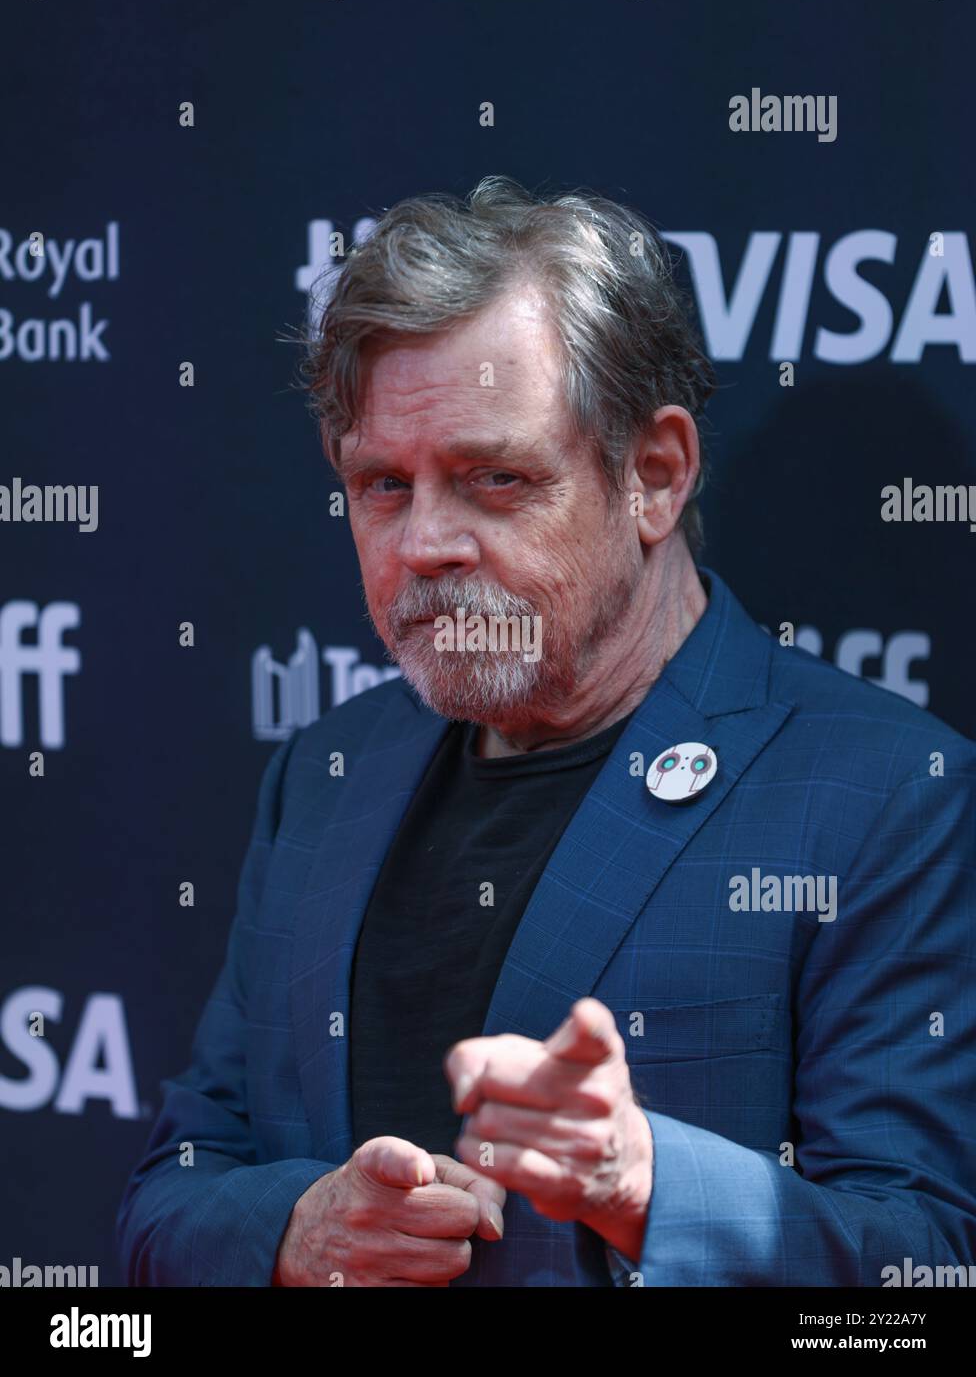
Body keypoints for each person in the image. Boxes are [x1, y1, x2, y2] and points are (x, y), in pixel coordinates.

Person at [117, 176, 976, 1287]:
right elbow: (166, 1196)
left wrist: (646, 1186)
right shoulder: (324, 777)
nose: (428, 541)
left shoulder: (886, 796)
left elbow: (929, 1269)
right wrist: (294, 1233)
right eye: (382, 484)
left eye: (496, 478)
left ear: (653, 475)